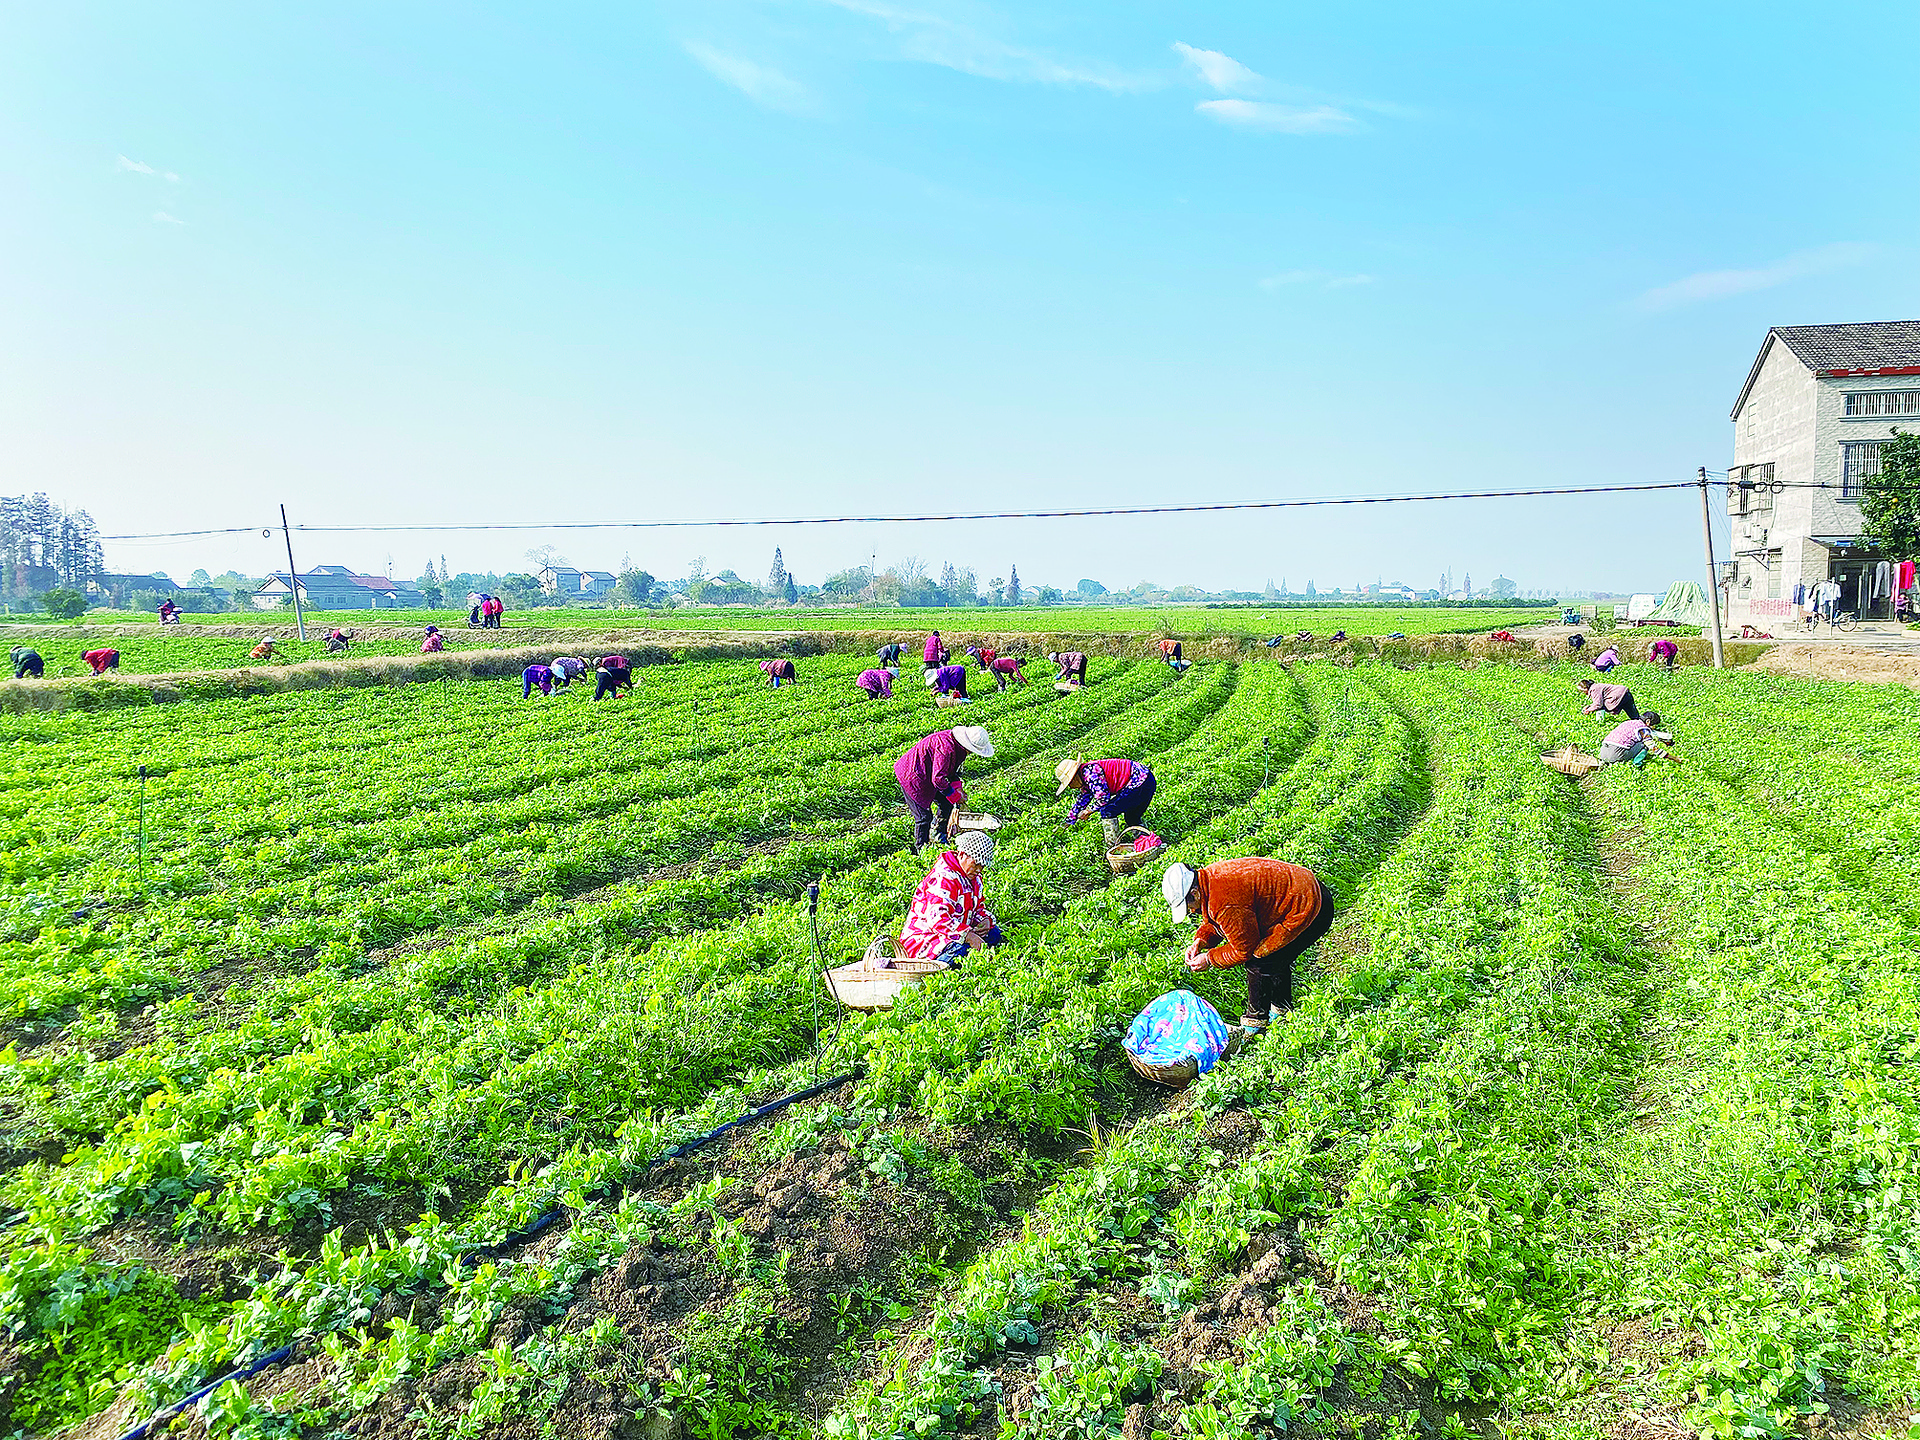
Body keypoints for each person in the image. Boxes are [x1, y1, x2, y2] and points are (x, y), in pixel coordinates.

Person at [1163, 857, 1336, 1034]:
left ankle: (1255, 1024)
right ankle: (1281, 1011)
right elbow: (1220, 923)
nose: (1192, 910)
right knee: (1273, 958)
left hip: (1309, 905)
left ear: (1195, 893)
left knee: (1260, 959)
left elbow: (1243, 950)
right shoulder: (1208, 879)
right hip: (1298, 891)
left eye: (1189, 904)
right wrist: (1201, 941)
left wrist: (1209, 959)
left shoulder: (1224, 899)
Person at [897, 831, 1002, 967]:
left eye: (982, 866)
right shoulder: (944, 878)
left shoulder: (973, 878)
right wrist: (969, 936)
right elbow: (938, 920)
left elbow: (977, 908)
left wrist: (985, 921)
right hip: (926, 937)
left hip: (956, 930)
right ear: (962, 855)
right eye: (976, 864)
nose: (979, 870)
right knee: (959, 951)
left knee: (994, 933)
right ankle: (932, 966)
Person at [894, 724, 993, 854]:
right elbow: (938, 779)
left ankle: (938, 833)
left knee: (946, 802)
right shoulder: (946, 748)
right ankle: (921, 850)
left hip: (928, 773)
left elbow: (951, 771)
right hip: (912, 775)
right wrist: (955, 795)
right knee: (923, 817)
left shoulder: (958, 748)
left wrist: (958, 789)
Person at [1057, 757, 1156, 849]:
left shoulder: (1090, 774)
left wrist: (1089, 811)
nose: (1070, 787)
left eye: (1069, 784)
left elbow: (1103, 798)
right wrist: (1067, 822)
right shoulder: (1085, 776)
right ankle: (1147, 843)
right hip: (1145, 779)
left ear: (1074, 778)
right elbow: (1082, 800)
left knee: (1107, 810)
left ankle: (1113, 847)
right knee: (1131, 816)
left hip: (1140, 782)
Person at [1599, 711, 1678, 769]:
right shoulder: (1644, 729)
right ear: (1648, 722)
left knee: (1637, 740)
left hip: (1603, 751)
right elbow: (1653, 748)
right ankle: (1637, 764)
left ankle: (1605, 761)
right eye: (1654, 725)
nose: (1654, 728)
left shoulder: (1630, 722)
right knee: (1645, 744)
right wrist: (1674, 758)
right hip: (1615, 754)